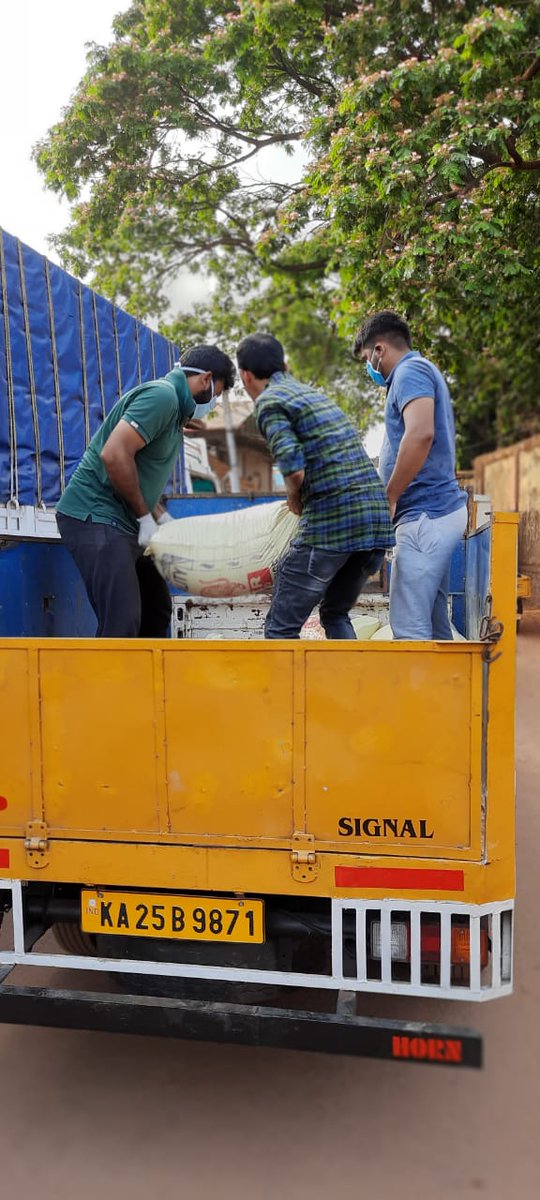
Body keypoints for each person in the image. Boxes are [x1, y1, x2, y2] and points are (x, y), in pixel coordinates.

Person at [56, 344, 235, 637]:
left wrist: (160, 518)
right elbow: (113, 455)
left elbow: (135, 470)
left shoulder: (176, 410)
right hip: (95, 515)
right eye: (218, 391)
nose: (215, 400)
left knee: (156, 609)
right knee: (121, 621)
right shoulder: (162, 396)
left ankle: (142, 682)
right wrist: (144, 518)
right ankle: (109, 683)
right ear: (206, 379)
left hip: (122, 521)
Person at [236, 333, 395, 639]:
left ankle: (283, 688)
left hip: (333, 523)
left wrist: (294, 497)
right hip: (375, 526)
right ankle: (349, 685)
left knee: (280, 629)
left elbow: (294, 471)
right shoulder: (313, 396)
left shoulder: (270, 402)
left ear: (245, 375)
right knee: (334, 613)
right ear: (284, 364)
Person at [354, 311, 467, 640]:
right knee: (432, 624)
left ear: (379, 350)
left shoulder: (409, 371)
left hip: (424, 516)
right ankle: (448, 691)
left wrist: (390, 497)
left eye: (366, 359)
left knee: (409, 629)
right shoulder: (416, 372)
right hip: (430, 515)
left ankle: (416, 692)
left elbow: (420, 435)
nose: (369, 368)